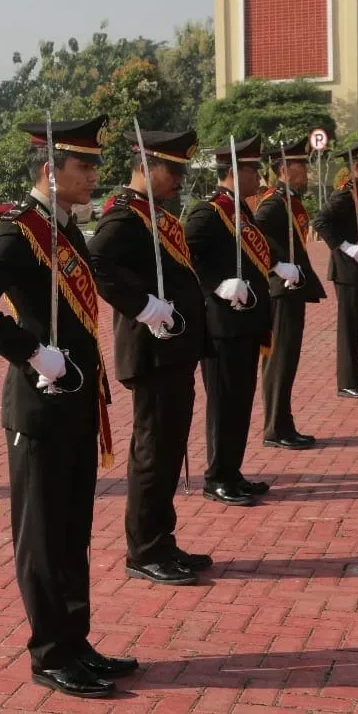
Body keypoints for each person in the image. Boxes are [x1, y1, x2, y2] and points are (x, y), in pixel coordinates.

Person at [0, 116, 137, 698]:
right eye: (81, 165)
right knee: (40, 536)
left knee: (72, 529)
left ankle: (75, 639)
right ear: (49, 169)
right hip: (39, 407)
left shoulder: (65, 228)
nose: (92, 173)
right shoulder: (19, 233)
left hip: (77, 401)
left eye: (92, 164)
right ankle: (48, 652)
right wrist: (32, 353)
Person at [90, 129, 212, 586]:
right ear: (146, 165)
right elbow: (96, 262)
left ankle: (162, 539)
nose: (180, 179)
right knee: (152, 452)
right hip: (153, 351)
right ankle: (143, 550)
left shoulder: (155, 214)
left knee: (168, 450)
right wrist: (144, 306)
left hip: (175, 350)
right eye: (174, 170)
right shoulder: (124, 216)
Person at [184, 135, 287, 504]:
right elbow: (186, 253)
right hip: (222, 327)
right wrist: (217, 284)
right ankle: (216, 477)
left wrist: (277, 262)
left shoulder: (240, 209)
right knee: (224, 404)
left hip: (246, 323)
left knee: (241, 402)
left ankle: (232, 470)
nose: (258, 177)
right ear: (234, 171)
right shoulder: (208, 212)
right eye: (252, 169)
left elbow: (257, 246)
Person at [253, 137, 326, 450]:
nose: (306, 170)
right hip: (280, 291)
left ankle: (284, 423)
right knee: (279, 359)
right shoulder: (272, 203)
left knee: (289, 359)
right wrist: (277, 264)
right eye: (301, 165)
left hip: (293, 290)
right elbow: (253, 233)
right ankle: (274, 428)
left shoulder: (289, 200)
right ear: (284, 168)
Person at [311, 138, 358, 400]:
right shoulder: (344, 193)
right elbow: (320, 221)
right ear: (356, 165)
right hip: (348, 268)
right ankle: (347, 383)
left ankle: (356, 379)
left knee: (356, 327)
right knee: (349, 328)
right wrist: (345, 246)